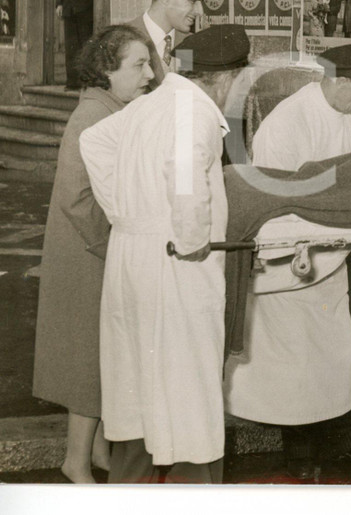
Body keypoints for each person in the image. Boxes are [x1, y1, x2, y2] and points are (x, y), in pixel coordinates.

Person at [79, 24, 250, 484]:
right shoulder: (192, 110)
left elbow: (92, 142)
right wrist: (192, 240)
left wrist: (124, 212)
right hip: (175, 262)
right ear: (224, 78)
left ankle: (129, 491)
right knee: (189, 389)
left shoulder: (151, 102)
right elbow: (186, 176)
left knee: (137, 390)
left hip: (131, 256)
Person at [224, 44, 351, 479]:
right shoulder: (287, 123)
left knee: (332, 355)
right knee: (293, 362)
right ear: (340, 79)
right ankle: (298, 451)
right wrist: (298, 245)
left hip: (332, 255)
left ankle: (342, 440)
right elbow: (270, 196)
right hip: (288, 259)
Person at [32, 25, 155, 483]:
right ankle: (76, 462)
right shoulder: (95, 116)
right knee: (88, 363)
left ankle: (98, 452)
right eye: (138, 65)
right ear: (107, 70)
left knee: (99, 359)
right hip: (90, 254)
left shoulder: (108, 108)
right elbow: (77, 198)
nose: (148, 74)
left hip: (88, 249)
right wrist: (118, 247)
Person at [125, 0, 207, 86]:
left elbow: (184, 100)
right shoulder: (122, 40)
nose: (199, 12)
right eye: (192, 1)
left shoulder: (188, 43)